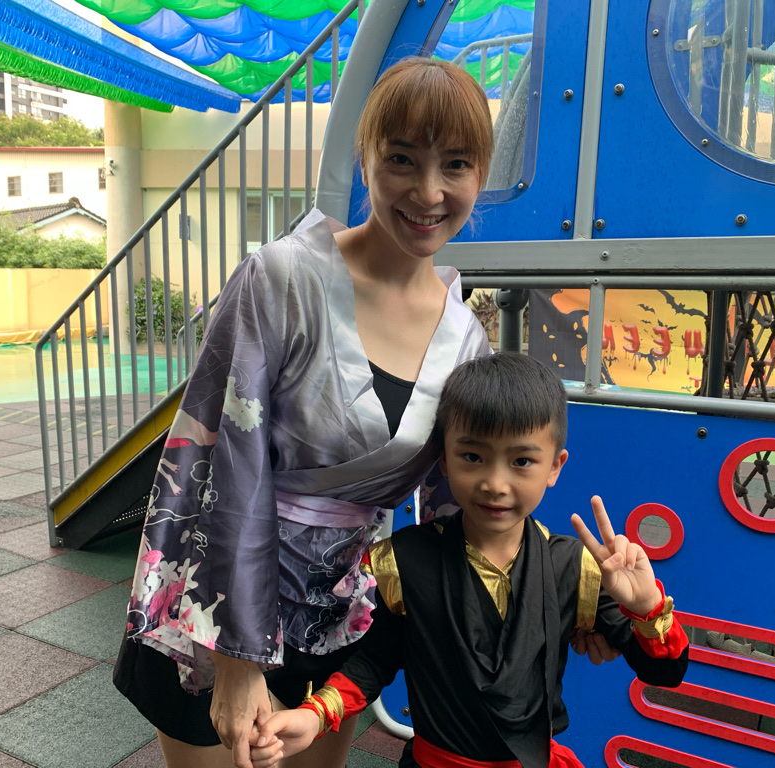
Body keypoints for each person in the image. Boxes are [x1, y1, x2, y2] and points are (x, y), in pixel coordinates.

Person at [113, 57, 495, 768]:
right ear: (365, 157)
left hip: (337, 614)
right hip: (216, 601)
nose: (429, 191)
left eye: (456, 164)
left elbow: (468, 507)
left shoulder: (466, 339)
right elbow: (220, 460)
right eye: (402, 159)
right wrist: (237, 657)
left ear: (482, 174)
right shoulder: (282, 277)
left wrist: (565, 603)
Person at [249, 353, 690, 768]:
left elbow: (664, 671)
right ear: (444, 458)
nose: (495, 483)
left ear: (555, 466)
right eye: (473, 457)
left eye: (522, 460)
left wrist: (646, 607)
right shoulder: (405, 559)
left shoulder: (576, 568)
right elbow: (374, 661)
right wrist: (313, 715)